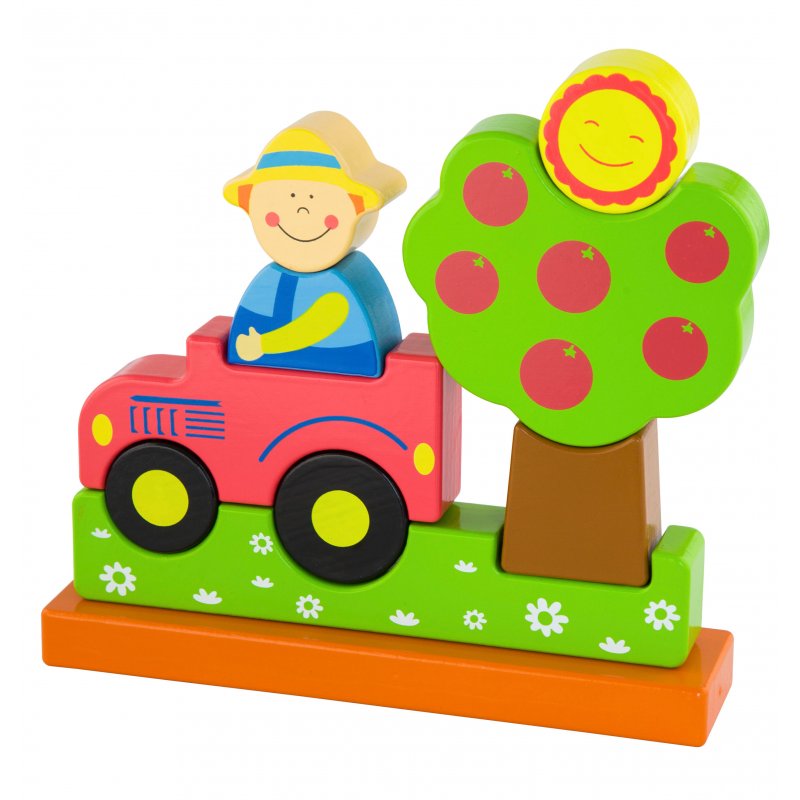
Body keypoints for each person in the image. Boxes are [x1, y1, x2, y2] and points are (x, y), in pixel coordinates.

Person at [223, 111, 406, 377]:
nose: (302, 211)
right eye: (289, 197)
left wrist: (262, 345)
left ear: (358, 205)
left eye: (314, 198)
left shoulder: (342, 284)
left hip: (345, 377)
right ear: (248, 200)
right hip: (265, 381)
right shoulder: (269, 281)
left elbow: (315, 325)